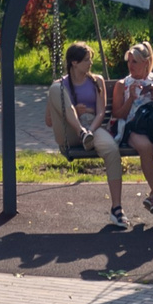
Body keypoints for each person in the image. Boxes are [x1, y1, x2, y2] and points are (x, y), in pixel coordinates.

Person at [46, 40, 129, 230]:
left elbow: (101, 112)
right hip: (69, 131)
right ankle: (81, 132)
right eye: (86, 60)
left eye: (90, 59)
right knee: (55, 89)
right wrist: (74, 110)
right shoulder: (61, 85)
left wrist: (90, 129)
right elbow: (49, 121)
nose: (90, 63)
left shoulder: (96, 81)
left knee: (111, 148)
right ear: (74, 63)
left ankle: (117, 209)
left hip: (92, 128)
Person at [114, 41, 153, 217]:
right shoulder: (123, 84)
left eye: (134, 62)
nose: (130, 65)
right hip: (135, 126)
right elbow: (118, 114)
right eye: (129, 61)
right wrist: (130, 99)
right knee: (146, 147)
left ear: (146, 63)